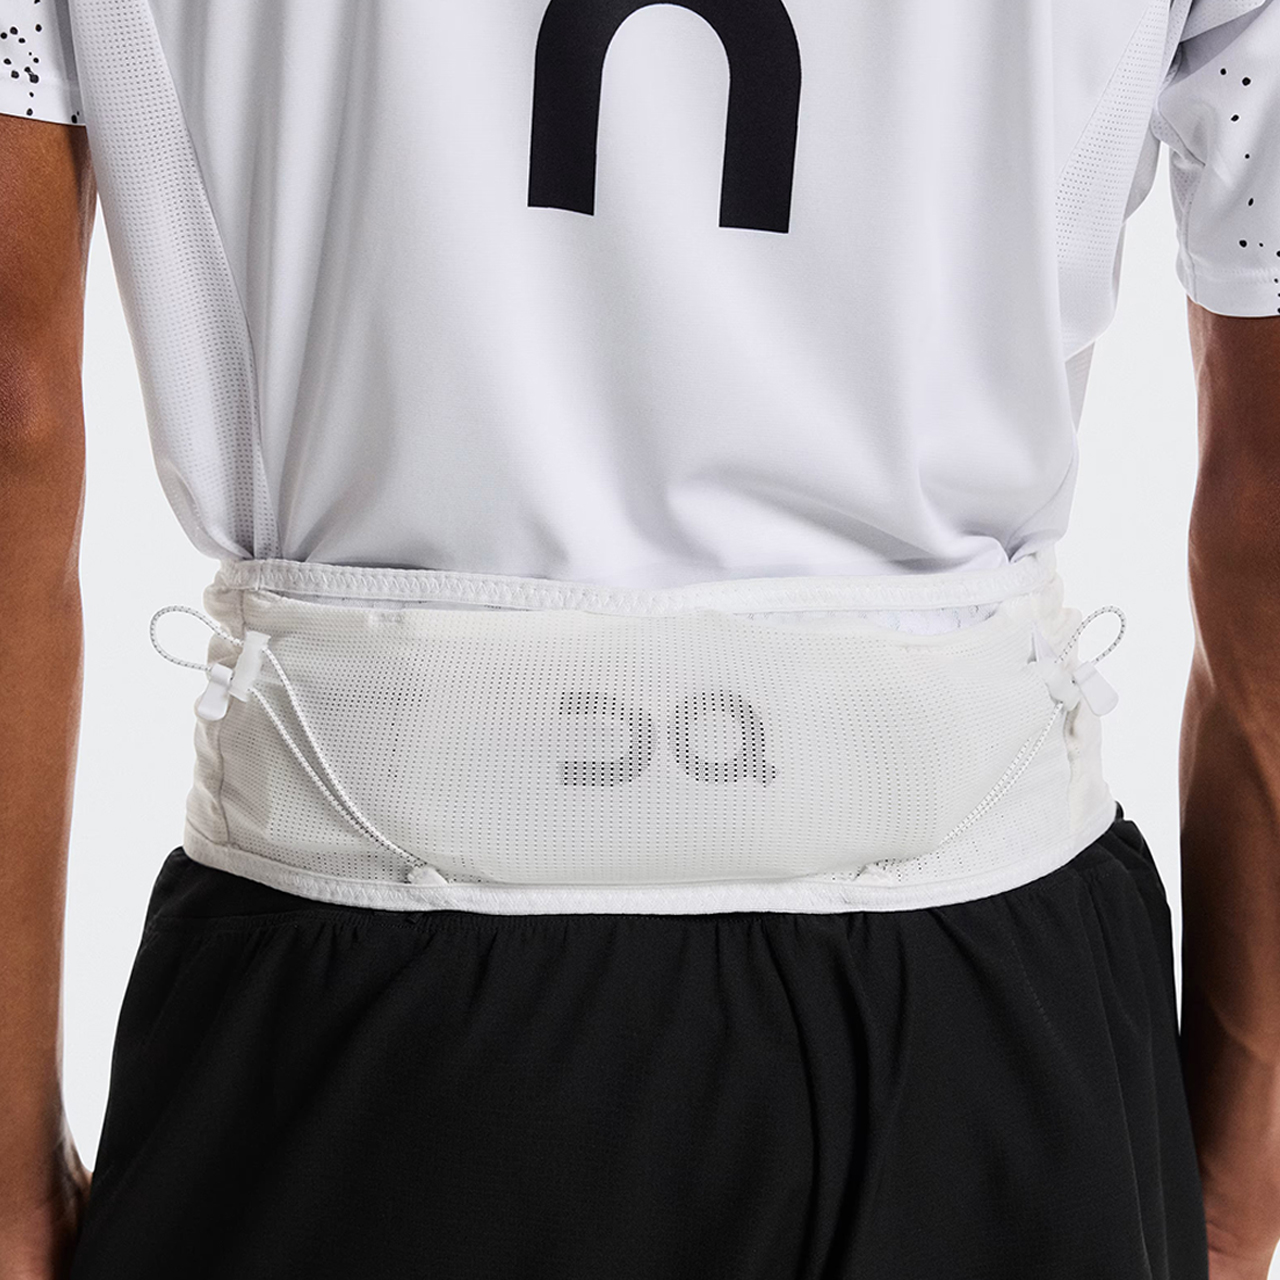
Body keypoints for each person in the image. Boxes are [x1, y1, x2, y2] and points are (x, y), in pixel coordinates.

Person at [2, 0, 1279, 1276]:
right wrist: (1228, 1197)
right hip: (986, 990)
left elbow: (15, 408)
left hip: (343, 981)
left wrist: (7, 1194)